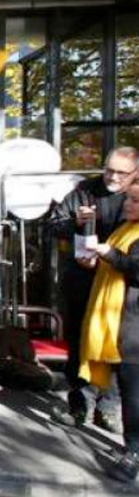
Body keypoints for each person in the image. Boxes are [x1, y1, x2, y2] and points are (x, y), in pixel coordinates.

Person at [48, 147, 138, 432]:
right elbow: (53, 224)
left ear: (134, 173)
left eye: (121, 173)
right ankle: (79, 405)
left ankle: (108, 407)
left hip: (120, 286)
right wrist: (74, 223)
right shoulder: (84, 190)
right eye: (108, 169)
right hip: (82, 279)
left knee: (115, 346)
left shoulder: (135, 196)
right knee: (79, 342)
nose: (112, 176)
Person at [80, 183, 139, 482]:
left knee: (134, 393)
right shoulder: (126, 227)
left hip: (134, 327)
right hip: (122, 323)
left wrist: (109, 253)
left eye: (135, 201)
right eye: (129, 198)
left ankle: (134, 453)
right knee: (129, 390)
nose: (128, 205)